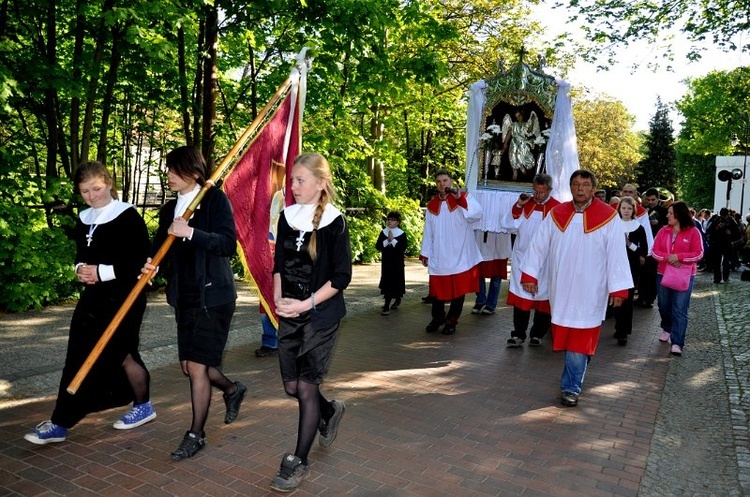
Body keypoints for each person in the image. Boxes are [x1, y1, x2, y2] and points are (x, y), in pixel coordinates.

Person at [25, 161, 156, 445]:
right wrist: (80, 269)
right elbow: (80, 255)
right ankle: (142, 405)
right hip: (93, 299)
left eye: (96, 188)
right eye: (85, 191)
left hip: (126, 297)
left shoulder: (128, 216)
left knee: (109, 355)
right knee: (85, 354)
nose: (92, 195)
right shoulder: (84, 217)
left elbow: (140, 261)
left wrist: (101, 271)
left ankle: (62, 421)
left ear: (109, 183)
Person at [143, 146, 246, 461]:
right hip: (185, 297)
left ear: (193, 171)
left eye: (174, 170)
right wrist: (151, 263)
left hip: (213, 297)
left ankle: (195, 434)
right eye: (168, 170)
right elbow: (161, 247)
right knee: (189, 367)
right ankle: (231, 389)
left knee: (199, 367)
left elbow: (227, 244)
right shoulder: (168, 210)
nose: (169, 176)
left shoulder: (213, 199)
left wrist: (191, 232)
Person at [270, 152, 352, 492]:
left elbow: (340, 277)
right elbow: (277, 264)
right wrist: (278, 300)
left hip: (321, 316)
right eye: (292, 180)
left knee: (305, 387)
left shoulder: (335, 222)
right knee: (292, 387)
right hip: (289, 312)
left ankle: (298, 460)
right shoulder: (287, 217)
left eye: (300, 180)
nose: (294, 186)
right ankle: (330, 412)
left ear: (321, 183)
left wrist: (305, 304)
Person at [521, 170, 632, 407]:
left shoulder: (608, 217)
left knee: (580, 340)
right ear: (570, 188)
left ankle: (570, 387)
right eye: (575, 184)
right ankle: (579, 366)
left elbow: (617, 255)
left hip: (591, 289)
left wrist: (619, 289)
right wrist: (530, 274)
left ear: (593, 189)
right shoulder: (556, 214)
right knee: (566, 338)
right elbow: (538, 246)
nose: (580, 188)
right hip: (562, 288)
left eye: (585, 184)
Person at [420, 169, 482, 335]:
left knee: (458, 290)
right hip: (440, 253)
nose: (442, 184)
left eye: (445, 180)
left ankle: (451, 321)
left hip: (460, 251)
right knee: (437, 291)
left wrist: (460, 199)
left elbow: (476, 214)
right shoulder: (432, 205)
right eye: (439, 181)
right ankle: (437, 318)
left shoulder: (463, 197)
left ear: (451, 181)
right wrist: (425, 251)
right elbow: (428, 231)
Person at [503, 173, 559, 347]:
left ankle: (537, 334)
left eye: (542, 192)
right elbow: (509, 225)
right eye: (535, 191)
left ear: (550, 190)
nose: (538, 196)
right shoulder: (525, 204)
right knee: (522, 298)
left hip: (547, 261)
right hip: (523, 258)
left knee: (544, 299)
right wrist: (519, 205)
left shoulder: (557, 208)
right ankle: (518, 334)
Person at [652, 201, 704, 356]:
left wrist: (679, 257)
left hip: (685, 276)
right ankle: (667, 327)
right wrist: (668, 258)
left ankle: (677, 342)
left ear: (679, 215)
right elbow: (654, 251)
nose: (667, 215)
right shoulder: (663, 231)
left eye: (670, 213)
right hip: (663, 273)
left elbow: (699, 253)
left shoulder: (693, 232)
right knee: (663, 305)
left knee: (680, 309)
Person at [612, 197, 648, 346]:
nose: (626, 211)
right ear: (619, 209)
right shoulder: (613, 225)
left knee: (627, 300)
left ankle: (624, 331)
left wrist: (629, 244)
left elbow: (643, 251)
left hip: (631, 267)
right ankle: (619, 325)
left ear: (633, 210)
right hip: (614, 266)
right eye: (623, 208)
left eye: (629, 208)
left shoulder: (638, 228)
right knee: (615, 298)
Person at [636, 188, 667, 308]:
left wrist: (658, 224)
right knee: (642, 273)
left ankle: (649, 298)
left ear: (658, 199)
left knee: (652, 274)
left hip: (658, 245)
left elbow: (668, 227)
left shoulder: (664, 212)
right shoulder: (643, 210)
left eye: (653, 200)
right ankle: (642, 296)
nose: (650, 202)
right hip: (644, 245)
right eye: (648, 200)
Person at [471, 230, 511, 315]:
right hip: (480, 238)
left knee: (497, 272)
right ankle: (480, 299)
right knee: (477, 270)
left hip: (499, 239)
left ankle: (491, 304)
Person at [376, 211, 407, 315]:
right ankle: (386, 304)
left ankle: (396, 299)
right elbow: (378, 246)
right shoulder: (383, 232)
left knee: (396, 281)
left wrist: (393, 240)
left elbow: (402, 248)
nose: (390, 222)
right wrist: (387, 241)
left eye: (393, 220)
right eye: (388, 219)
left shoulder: (402, 234)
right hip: (386, 263)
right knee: (387, 282)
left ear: (398, 222)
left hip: (397, 263)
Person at [501, 110, 541, 181]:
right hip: (514, 142)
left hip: (523, 143)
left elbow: (529, 131)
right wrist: (505, 144)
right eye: (516, 117)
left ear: (522, 115)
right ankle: (515, 173)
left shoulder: (525, 124)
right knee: (513, 156)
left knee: (526, 157)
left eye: (519, 116)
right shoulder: (513, 124)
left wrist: (532, 120)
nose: (518, 118)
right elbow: (509, 134)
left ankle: (524, 169)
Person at [706, 207, 743, 283]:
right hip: (717, 244)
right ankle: (717, 278)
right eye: (722, 215)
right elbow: (710, 230)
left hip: (727, 245)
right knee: (717, 262)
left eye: (724, 216)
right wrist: (716, 228)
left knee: (726, 262)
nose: (723, 217)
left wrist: (730, 233)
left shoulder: (732, 221)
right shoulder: (716, 220)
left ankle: (726, 278)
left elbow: (738, 234)